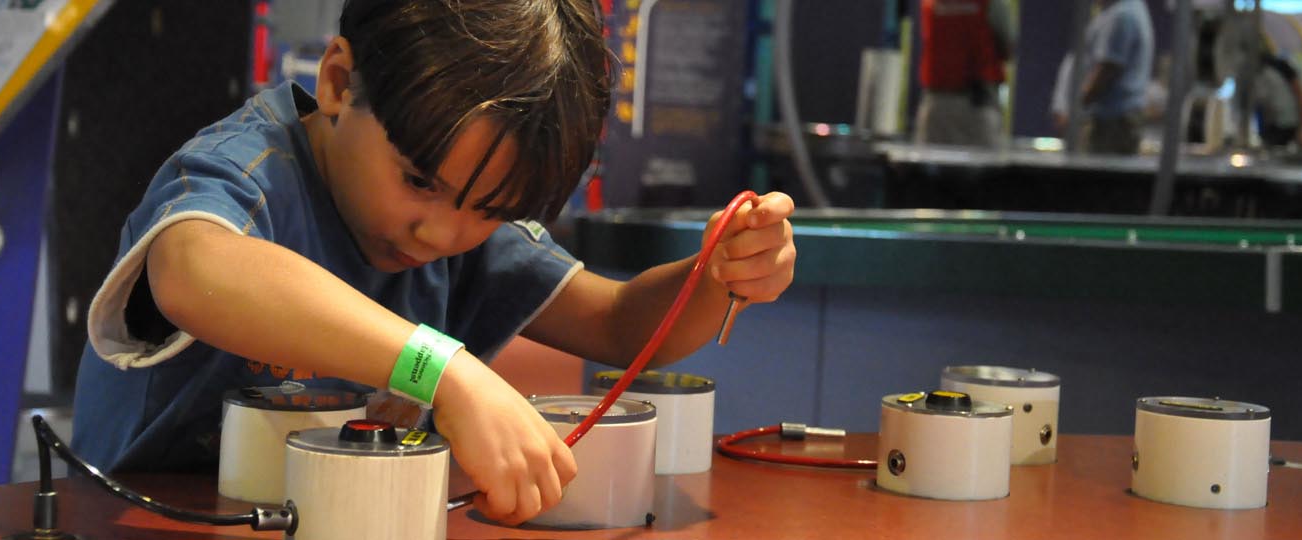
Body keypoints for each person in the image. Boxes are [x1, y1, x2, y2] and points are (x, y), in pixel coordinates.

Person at [69, 0, 797, 527]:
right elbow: (194, 271)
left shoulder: (459, 225)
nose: (438, 233)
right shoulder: (244, 174)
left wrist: (715, 278)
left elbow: (619, 323)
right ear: (339, 83)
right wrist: (441, 370)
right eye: (419, 181)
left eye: (489, 211)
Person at [914, 0, 1015, 148]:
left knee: (932, 168)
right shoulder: (991, 3)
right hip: (977, 105)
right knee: (983, 169)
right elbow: (1007, 49)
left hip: (935, 105)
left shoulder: (930, 3)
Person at [1077, 0, 1155, 155]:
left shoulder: (1122, 15)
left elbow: (1108, 68)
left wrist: (1079, 102)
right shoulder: (1130, 9)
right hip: (1118, 120)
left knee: (1100, 176)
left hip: (1112, 122)